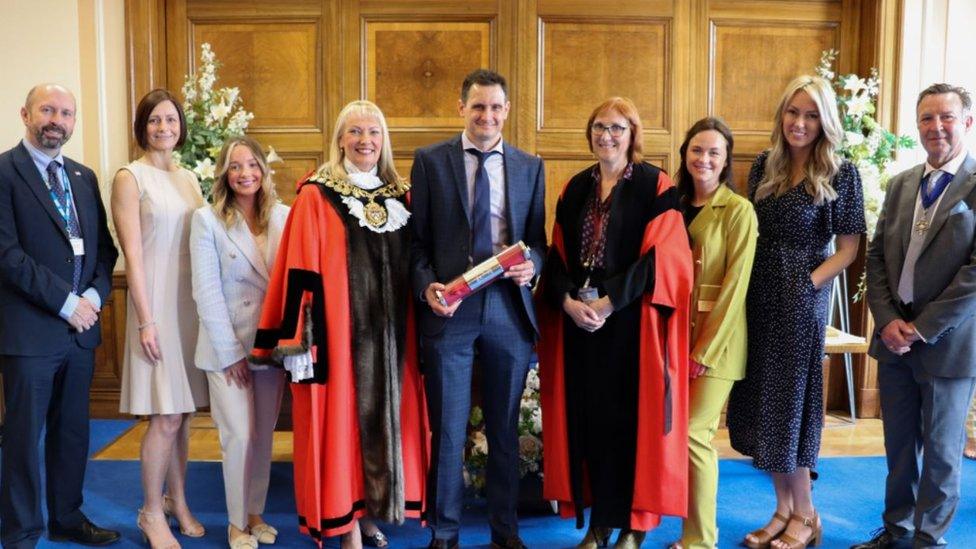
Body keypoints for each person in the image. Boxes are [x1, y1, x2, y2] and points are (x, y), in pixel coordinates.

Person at [250, 100, 428, 549]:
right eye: (355, 132)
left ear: (384, 139)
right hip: (337, 342)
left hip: (393, 344)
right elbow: (300, 273)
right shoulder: (317, 194)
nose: (365, 140)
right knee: (341, 432)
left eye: (373, 131)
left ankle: (370, 514)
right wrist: (298, 344)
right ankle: (345, 526)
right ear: (340, 139)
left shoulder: (402, 195)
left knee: (389, 425)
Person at [537, 97, 693, 549]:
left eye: (617, 128)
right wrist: (567, 301)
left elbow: (661, 256)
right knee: (591, 421)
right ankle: (600, 523)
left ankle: (632, 525)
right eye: (599, 127)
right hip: (580, 323)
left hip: (629, 323)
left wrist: (608, 303)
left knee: (629, 423)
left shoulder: (654, 185)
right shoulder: (575, 187)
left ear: (633, 134)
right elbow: (559, 252)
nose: (607, 136)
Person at [726, 75, 865, 549]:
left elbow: (847, 250)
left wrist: (806, 286)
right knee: (765, 403)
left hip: (804, 294)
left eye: (810, 115)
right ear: (781, 115)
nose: (799, 123)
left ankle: (807, 514)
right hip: (758, 291)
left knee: (789, 406)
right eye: (792, 112)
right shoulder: (765, 164)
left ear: (824, 120)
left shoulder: (842, 172)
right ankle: (782, 509)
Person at [409, 69, 546, 549]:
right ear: (461, 107)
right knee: (447, 430)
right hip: (452, 313)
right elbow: (418, 244)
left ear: (507, 111)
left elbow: (539, 243)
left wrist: (532, 266)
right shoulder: (429, 162)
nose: (487, 115)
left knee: (505, 430)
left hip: (509, 312)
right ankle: (444, 534)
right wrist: (427, 288)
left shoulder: (531, 166)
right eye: (478, 106)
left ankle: (504, 532)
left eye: (495, 107)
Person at [856, 83, 976, 549]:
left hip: (947, 343)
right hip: (892, 340)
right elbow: (876, 257)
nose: (936, 127)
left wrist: (923, 328)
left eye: (946, 117)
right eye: (927, 118)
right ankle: (897, 530)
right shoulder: (902, 183)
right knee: (899, 450)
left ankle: (929, 541)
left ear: (966, 122)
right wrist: (887, 320)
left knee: (943, 455)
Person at [0, 84, 120, 548]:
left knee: (72, 432)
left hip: (80, 333)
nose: (57, 119)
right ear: (25, 113)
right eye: (47, 110)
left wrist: (92, 293)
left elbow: (104, 252)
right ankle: (21, 530)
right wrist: (67, 303)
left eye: (66, 112)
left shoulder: (83, 176)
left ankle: (67, 517)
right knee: (24, 437)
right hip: (30, 332)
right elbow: (7, 255)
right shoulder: (5, 173)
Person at [112, 88, 208, 548]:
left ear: (181, 127)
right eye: (154, 120)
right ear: (142, 126)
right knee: (165, 415)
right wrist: (146, 320)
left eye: (170, 120)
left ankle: (178, 500)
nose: (163, 128)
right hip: (155, 309)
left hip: (188, 307)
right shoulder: (131, 177)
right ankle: (150, 512)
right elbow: (132, 253)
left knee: (185, 414)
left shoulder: (190, 178)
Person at [189, 136, 289, 549]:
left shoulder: (285, 216)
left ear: (264, 171)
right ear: (224, 175)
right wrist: (231, 354)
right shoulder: (207, 219)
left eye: (252, 165)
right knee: (239, 436)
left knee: (263, 435)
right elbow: (205, 291)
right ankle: (235, 524)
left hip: (271, 348)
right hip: (225, 347)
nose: (245, 173)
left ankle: (255, 513)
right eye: (235, 166)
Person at [672, 117, 757, 549]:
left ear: (725, 162)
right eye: (697, 150)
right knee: (673, 437)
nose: (703, 159)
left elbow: (734, 288)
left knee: (693, 435)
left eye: (714, 153)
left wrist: (703, 351)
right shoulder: (670, 203)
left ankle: (701, 540)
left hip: (715, 348)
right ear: (685, 154)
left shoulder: (739, 211)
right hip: (669, 341)